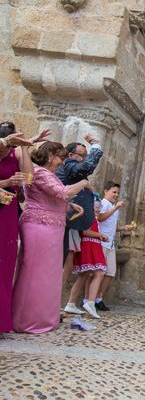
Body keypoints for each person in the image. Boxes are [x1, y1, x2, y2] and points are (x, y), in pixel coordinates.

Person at [12, 142, 88, 333]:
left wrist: (69, 206)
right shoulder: (40, 172)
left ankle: (42, 317)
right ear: (49, 156)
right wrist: (84, 182)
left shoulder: (45, 174)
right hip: (40, 227)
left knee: (48, 275)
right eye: (60, 158)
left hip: (50, 228)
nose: (62, 162)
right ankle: (27, 319)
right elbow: (63, 193)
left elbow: (51, 198)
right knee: (35, 274)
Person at [0, 121, 36, 333]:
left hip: (7, 212)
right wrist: (6, 182)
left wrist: (24, 146)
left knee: (4, 264)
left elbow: (29, 179)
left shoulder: (16, 153)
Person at [56, 134, 103, 288]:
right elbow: (86, 168)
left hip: (69, 221)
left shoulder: (72, 166)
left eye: (86, 156)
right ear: (70, 155)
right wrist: (95, 146)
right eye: (82, 155)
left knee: (63, 260)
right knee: (58, 261)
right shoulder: (69, 164)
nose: (84, 159)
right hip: (61, 219)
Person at [64, 201, 110, 319]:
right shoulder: (88, 216)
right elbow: (85, 231)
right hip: (89, 245)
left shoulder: (92, 216)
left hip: (91, 244)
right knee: (99, 273)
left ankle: (71, 303)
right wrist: (100, 234)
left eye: (99, 208)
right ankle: (90, 303)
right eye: (96, 207)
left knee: (83, 275)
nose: (98, 210)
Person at [94, 182, 135, 311]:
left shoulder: (112, 205)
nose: (116, 195)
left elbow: (112, 226)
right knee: (98, 273)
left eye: (117, 193)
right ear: (106, 191)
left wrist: (124, 228)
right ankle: (89, 299)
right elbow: (100, 218)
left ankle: (98, 298)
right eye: (114, 192)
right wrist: (115, 208)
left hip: (110, 243)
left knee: (110, 272)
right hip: (101, 242)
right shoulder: (103, 203)